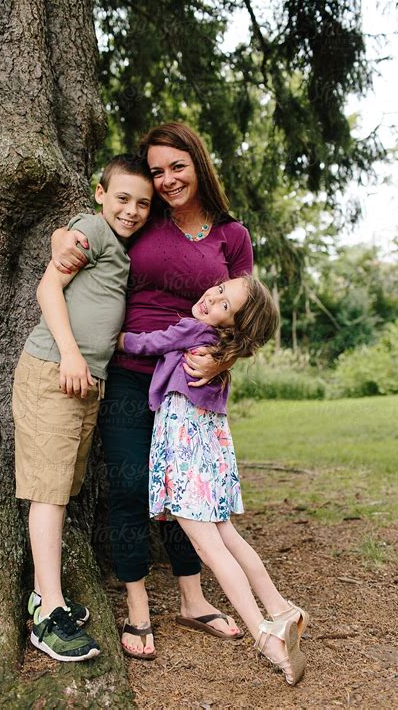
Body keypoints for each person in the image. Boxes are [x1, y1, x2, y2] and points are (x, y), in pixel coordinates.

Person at [51, 123, 253, 659]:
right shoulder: (144, 219)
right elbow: (92, 230)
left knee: (185, 494)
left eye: (176, 167)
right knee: (128, 485)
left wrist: (222, 360)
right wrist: (61, 238)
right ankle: (138, 606)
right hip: (127, 370)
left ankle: (192, 597)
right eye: (157, 170)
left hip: (189, 385)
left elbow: (248, 318)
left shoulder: (232, 236)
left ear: (199, 164)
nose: (165, 180)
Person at [116, 275, 309, 684]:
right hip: (211, 455)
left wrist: (118, 340)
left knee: (210, 547)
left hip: (186, 456)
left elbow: (150, 343)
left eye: (225, 304)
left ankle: (265, 636)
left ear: (233, 326)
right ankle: (281, 609)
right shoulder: (222, 351)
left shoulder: (194, 331)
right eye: (220, 288)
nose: (212, 297)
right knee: (229, 536)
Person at [12, 154, 154, 661]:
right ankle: (47, 613)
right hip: (54, 370)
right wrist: (72, 354)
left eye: (143, 203)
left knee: (62, 488)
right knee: (47, 492)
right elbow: (48, 286)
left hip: (84, 384)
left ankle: (43, 595)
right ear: (100, 193)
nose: (132, 210)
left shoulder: (121, 247)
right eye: (122, 198)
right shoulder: (90, 229)